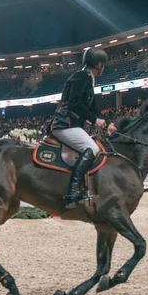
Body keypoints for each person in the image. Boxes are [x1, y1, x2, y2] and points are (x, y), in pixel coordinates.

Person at [48, 47, 116, 208]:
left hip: (71, 125)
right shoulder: (82, 77)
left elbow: (93, 109)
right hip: (64, 124)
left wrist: (106, 123)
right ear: (99, 64)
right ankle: (72, 191)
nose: (103, 68)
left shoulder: (87, 78)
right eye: (103, 65)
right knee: (92, 148)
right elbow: (75, 104)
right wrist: (94, 121)